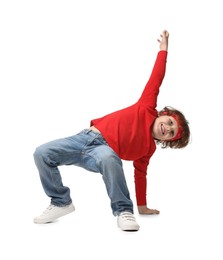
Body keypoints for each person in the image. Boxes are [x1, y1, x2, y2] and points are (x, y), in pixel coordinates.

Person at [33, 30, 190, 231]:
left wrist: (142, 207)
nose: (167, 128)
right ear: (163, 113)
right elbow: (157, 78)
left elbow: (140, 175)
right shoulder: (146, 106)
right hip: (84, 139)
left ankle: (124, 210)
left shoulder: (148, 149)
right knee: (42, 153)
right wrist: (163, 50)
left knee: (108, 158)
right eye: (169, 122)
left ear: (166, 140)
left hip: (101, 154)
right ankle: (61, 201)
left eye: (171, 133)